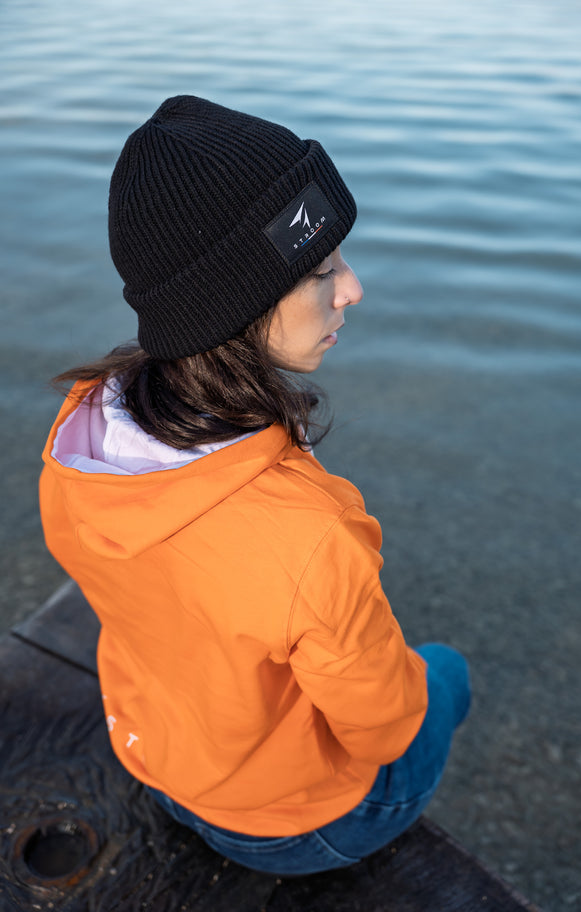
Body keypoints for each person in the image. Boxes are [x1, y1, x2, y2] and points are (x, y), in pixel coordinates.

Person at [40, 95, 470, 876]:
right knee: (443, 673)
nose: (353, 289)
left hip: (154, 755)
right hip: (287, 827)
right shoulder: (307, 536)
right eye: (321, 270)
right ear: (233, 307)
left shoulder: (80, 441)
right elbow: (385, 733)